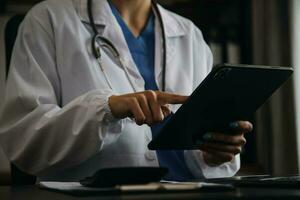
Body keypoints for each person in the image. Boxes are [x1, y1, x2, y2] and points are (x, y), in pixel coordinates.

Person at [0, 0, 252, 181]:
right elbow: (24, 142)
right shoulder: (48, 20)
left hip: (188, 190)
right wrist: (106, 109)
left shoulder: (190, 34)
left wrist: (215, 153)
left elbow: (200, 148)